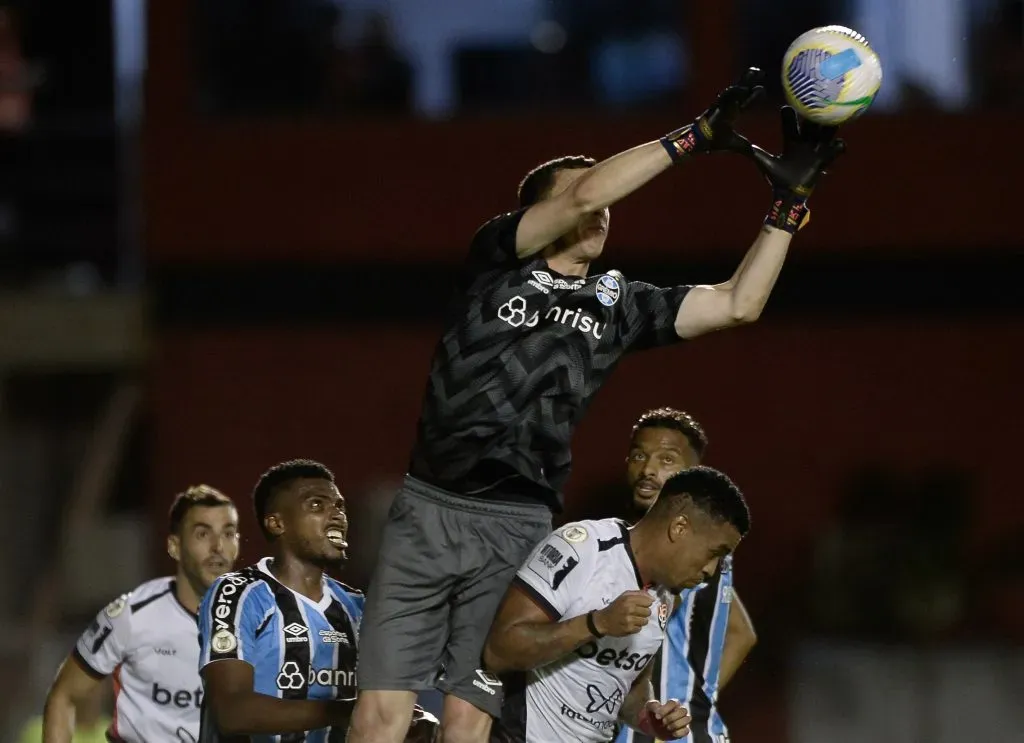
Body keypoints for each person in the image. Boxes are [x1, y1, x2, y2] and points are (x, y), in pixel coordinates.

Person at [349, 62, 844, 743]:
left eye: (609, 201)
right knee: (380, 715)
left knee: (467, 720)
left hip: (518, 522)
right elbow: (583, 194)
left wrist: (786, 212)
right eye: (585, 195)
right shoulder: (497, 259)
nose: (601, 206)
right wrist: (695, 137)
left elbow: (738, 304)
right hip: (431, 503)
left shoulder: (619, 305)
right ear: (537, 212)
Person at [482, 466, 751, 742]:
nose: (711, 570)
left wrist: (650, 717)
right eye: (714, 553)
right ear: (679, 527)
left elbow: (630, 688)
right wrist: (595, 623)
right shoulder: (582, 548)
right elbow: (499, 651)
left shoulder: (667, 597)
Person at [196, 459, 438, 743]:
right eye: (317, 505)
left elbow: (385, 705)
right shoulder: (239, 592)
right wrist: (349, 711)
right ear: (277, 523)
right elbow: (232, 713)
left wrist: (418, 722)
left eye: (340, 507)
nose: (337, 516)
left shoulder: (359, 608)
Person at [42, 485, 240, 743]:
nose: (218, 547)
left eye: (228, 534)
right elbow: (64, 696)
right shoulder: (131, 615)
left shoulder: (261, 618)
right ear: (174, 546)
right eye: (203, 534)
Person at [617, 408, 757, 743]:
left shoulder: (673, 545)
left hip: (652, 732)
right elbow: (742, 634)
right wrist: (698, 701)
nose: (648, 470)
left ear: (692, 473)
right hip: (688, 730)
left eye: (667, 460)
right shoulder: (708, 543)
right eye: (639, 456)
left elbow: (641, 623)